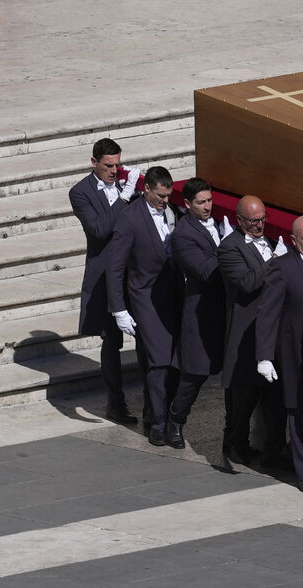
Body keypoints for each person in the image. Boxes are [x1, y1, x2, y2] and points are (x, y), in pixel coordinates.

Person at [105, 166, 181, 446]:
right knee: (159, 363)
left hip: (173, 296)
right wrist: (119, 308)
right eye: (160, 195)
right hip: (145, 299)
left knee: (172, 363)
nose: (165, 200)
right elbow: (115, 267)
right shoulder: (129, 218)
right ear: (146, 189)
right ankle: (159, 424)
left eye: (168, 195)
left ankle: (156, 415)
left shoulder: (172, 213)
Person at [256, 216, 303, 494]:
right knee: (298, 409)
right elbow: (268, 312)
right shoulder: (281, 267)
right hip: (294, 353)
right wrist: (264, 355)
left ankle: (294, 453)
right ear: (293, 241)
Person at [69, 138, 139, 424]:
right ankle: (115, 403)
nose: (114, 170)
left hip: (134, 272)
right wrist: (125, 198)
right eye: (108, 165)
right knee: (111, 340)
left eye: (117, 164)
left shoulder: (125, 184)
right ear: (94, 162)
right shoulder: (80, 192)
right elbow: (98, 230)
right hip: (106, 275)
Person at [217, 195, 284, 466]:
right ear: (239, 220)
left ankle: (271, 447)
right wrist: (276, 260)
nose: (260, 226)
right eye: (254, 221)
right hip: (246, 332)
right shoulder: (229, 248)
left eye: (263, 220)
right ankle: (235, 444)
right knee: (242, 396)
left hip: (273, 327)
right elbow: (247, 282)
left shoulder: (268, 241)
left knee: (269, 395)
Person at [167, 178, 232, 449]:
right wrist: (231, 247)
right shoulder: (182, 235)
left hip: (227, 311)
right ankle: (175, 421)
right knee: (194, 375)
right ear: (187, 204)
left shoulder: (217, 222)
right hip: (201, 314)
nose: (207, 206)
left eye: (209, 200)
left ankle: (234, 433)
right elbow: (205, 271)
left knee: (232, 374)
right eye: (201, 202)